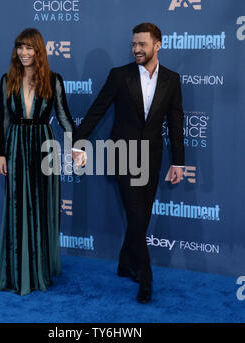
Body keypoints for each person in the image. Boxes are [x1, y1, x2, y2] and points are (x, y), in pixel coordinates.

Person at [73, 23, 185, 303]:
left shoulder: (171, 79)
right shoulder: (120, 76)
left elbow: (175, 123)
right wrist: (77, 141)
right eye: (134, 44)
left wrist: (178, 162)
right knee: (136, 216)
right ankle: (145, 277)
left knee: (142, 217)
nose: (136, 49)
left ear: (157, 45)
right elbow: (97, 109)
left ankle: (125, 263)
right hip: (122, 155)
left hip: (153, 157)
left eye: (142, 45)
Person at [0, 28, 80, 296]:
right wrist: (2, 154)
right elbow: (4, 119)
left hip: (43, 146)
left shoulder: (54, 80)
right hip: (15, 145)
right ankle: (15, 270)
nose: (24, 53)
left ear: (39, 51)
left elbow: (63, 116)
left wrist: (76, 146)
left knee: (42, 206)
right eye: (20, 47)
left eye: (29, 48)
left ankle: (38, 270)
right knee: (16, 206)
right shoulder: (7, 79)